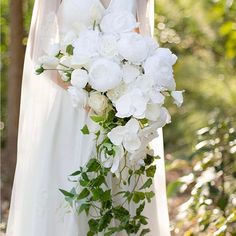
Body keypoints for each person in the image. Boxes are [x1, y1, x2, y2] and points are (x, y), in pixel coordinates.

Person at [6, 0, 170, 235]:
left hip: (121, 112)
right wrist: (87, 92)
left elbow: (145, 44)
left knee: (120, 194)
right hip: (70, 108)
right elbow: (39, 51)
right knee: (70, 195)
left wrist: (128, 91)